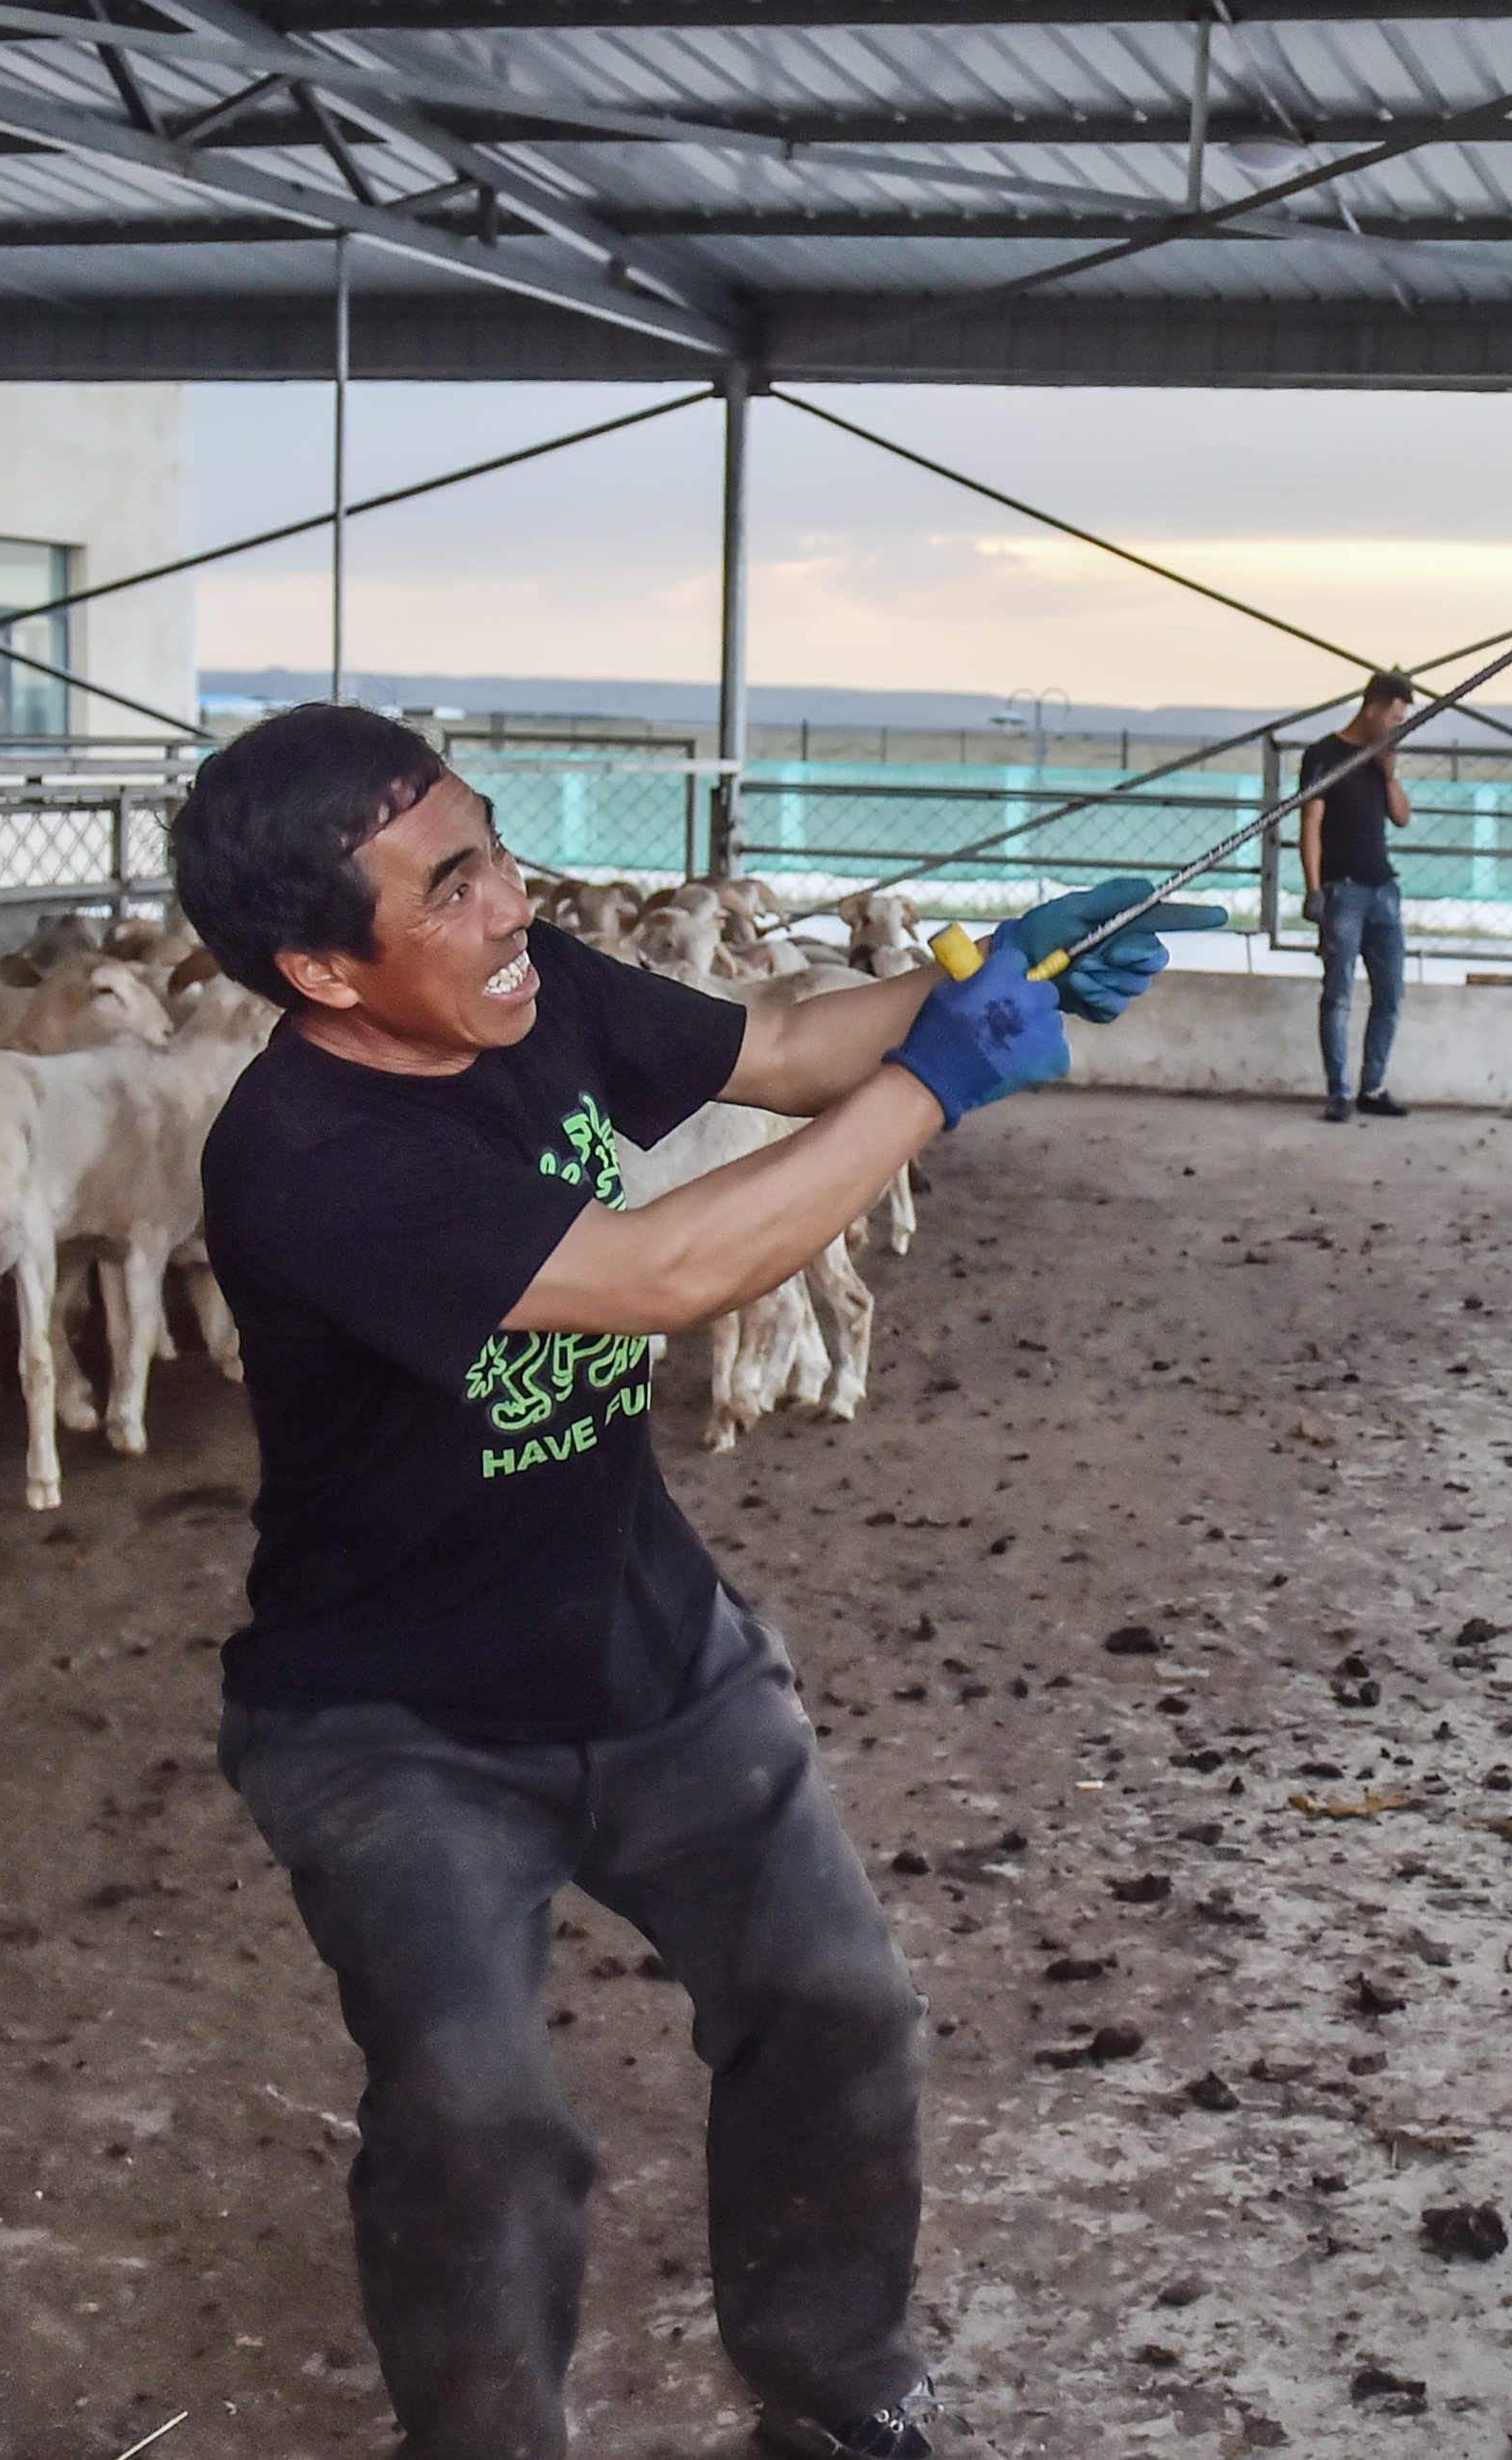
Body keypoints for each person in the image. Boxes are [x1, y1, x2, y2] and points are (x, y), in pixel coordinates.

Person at [170, 704, 1218, 2460]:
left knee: (838, 2008)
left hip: (657, 1651)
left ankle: (836, 2375)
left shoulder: (538, 985)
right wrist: (940, 1083)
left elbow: (795, 1038)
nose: (513, 897)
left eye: (494, 846)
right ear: (319, 966)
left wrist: (1003, 967)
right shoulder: (307, 1156)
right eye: (453, 884)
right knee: (480, 2118)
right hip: (392, 1723)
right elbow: (668, 1267)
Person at [1297, 669, 1418, 1122]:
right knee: (1339, 994)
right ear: (1371, 710)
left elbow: (1404, 818)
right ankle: (1339, 1092)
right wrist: (1314, 890)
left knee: (1390, 994)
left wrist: (1389, 775)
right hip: (1343, 890)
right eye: (1393, 717)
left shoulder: (1380, 759)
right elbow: (1310, 824)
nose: (1396, 727)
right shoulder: (1325, 755)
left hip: (1383, 888)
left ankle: (1374, 1086)